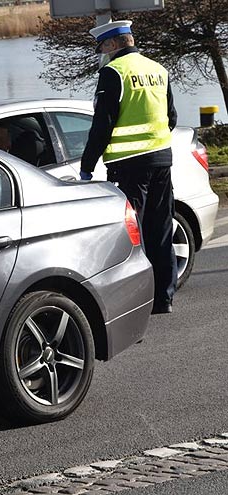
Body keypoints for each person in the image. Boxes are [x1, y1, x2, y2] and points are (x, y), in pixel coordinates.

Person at [80, 20, 178, 315]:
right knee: (160, 229)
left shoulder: (113, 73)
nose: (102, 53)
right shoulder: (157, 69)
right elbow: (171, 116)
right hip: (161, 160)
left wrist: (87, 166)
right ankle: (164, 297)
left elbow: (102, 125)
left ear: (111, 45)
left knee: (133, 234)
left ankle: (140, 300)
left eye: (102, 48)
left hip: (129, 167)